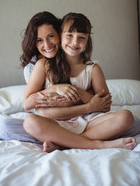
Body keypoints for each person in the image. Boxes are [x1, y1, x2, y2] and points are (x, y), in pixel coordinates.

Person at [23, 12, 137, 153]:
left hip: (88, 121)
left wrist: (81, 94)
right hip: (57, 124)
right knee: (30, 122)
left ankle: (64, 144)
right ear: (62, 34)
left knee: (126, 117)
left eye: (81, 38)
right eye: (69, 35)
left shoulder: (92, 69)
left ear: (87, 41)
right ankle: (99, 145)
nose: (75, 42)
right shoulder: (44, 65)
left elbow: (104, 105)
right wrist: (58, 90)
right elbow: (31, 106)